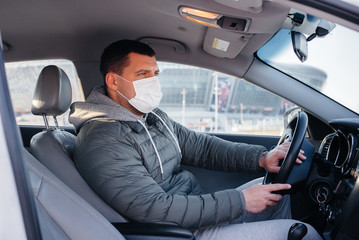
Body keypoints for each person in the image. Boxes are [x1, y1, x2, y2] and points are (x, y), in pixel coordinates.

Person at [69, 39, 321, 239]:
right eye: (142, 74)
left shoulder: (151, 116)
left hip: (194, 211)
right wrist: (240, 201)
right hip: (181, 232)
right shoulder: (102, 138)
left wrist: (261, 158)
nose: (153, 81)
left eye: (155, 73)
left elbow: (202, 147)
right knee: (303, 232)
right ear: (113, 80)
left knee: (278, 194)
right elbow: (152, 209)